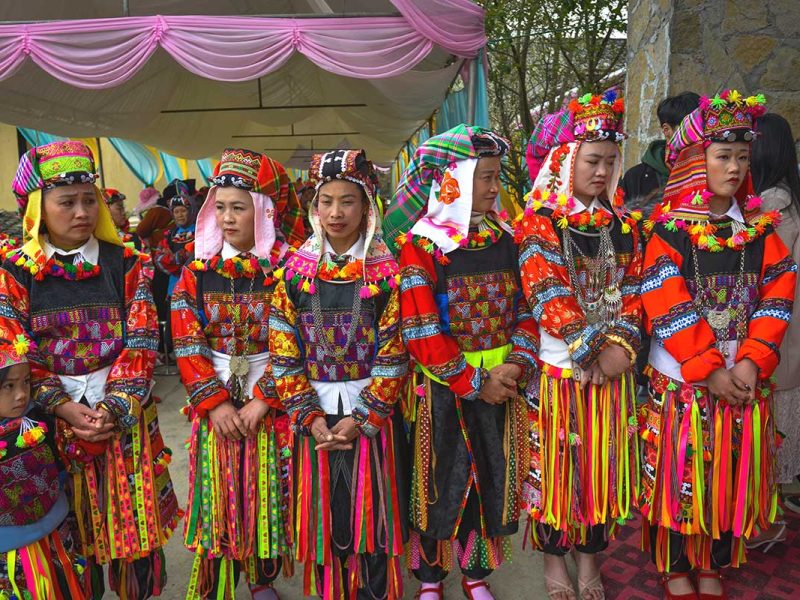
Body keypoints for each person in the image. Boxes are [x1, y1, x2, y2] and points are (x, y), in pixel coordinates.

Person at [0, 140, 182, 600]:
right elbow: (17, 351)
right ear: (40, 206)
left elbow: (141, 340)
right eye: (67, 202)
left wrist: (113, 407)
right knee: (68, 543)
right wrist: (63, 408)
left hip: (123, 419)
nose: (81, 211)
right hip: (50, 426)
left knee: (132, 536)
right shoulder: (13, 273)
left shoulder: (127, 264)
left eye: (88, 199)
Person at [640, 90, 796, 599]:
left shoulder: (759, 231)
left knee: (725, 471)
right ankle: (675, 562)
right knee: (682, 471)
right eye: (722, 156)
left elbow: (777, 294)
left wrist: (752, 360)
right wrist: (709, 368)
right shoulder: (669, 232)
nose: (734, 168)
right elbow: (667, 301)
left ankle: (710, 558)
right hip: (688, 379)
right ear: (692, 161)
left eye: (742, 158)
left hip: (742, 376)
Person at [387, 125, 539, 600]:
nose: (496, 188)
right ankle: (431, 578)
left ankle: (475, 573)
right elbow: (421, 329)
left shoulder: (507, 239)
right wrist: (474, 382)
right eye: (486, 177)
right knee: (436, 482)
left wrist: (514, 365)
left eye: (497, 177)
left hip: (502, 386)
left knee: (489, 480)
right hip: (443, 390)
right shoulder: (422, 246)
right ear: (451, 181)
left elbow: (527, 309)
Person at [516, 91, 643, 600]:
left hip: (611, 375)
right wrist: (592, 350)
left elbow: (636, 294)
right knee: (553, 470)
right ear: (567, 160)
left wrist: (619, 352)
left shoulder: (626, 225)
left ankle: (590, 558)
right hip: (557, 376)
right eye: (592, 160)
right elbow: (546, 290)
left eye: (611, 162)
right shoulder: (540, 221)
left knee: (603, 469)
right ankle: (553, 560)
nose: (602, 171)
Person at [270, 149, 409, 600]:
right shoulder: (293, 273)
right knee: (327, 519)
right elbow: (282, 349)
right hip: (314, 417)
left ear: (367, 205)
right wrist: (309, 417)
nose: (335, 212)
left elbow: (394, 351)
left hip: (370, 418)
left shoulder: (389, 275)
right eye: (325, 200)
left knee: (374, 519)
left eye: (347, 201)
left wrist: (365, 414)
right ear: (314, 206)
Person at [173, 148, 305, 599]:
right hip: (218, 407)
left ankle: (262, 579)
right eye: (220, 207)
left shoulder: (291, 271)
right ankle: (222, 579)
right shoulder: (196, 271)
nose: (227, 219)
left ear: (264, 211)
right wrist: (213, 401)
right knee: (219, 494)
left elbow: (298, 337)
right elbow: (187, 338)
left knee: (267, 495)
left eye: (239, 207)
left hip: (268, 401)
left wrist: (266, 397)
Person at [0, 329, 88, 600]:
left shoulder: (38, 420)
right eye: (8, 386)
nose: (21, 395)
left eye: (26, 382)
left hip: (56, 533)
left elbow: (59, 469)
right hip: (10, 550)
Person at [746, 113, 800, 543]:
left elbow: (765, 281)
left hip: (777, 331)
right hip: (787, 327)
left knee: (768, 428)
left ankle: (765, 519)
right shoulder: (787, 198)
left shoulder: (770, 206)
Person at [620, 92, 700, 215]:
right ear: (667, 130)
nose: (698, 136)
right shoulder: (636, 178)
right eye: (690, 129)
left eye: (701, 128)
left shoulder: (710, 174)